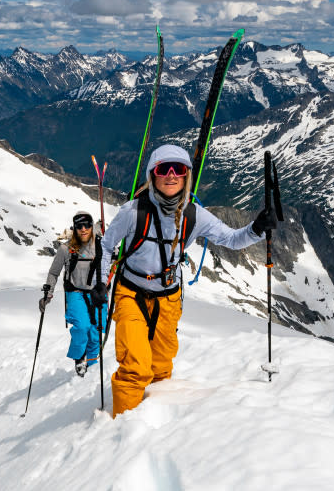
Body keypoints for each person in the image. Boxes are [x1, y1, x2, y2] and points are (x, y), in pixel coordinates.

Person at [100, 144, 277, 416]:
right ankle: (122, 428)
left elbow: (231, 239)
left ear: (186, 176)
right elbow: (106, 246)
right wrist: (101, 284)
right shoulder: (133, 211)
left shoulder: (194, 215)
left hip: (168, 298)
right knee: (136, 364)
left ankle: (153, 423)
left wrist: (256, 229)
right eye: (163, 169)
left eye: (179, 170)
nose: (171, 175)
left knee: (160, 366)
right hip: (130, 293)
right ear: (152, 175)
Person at [39, 211, 108, 377]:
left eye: (87, 225)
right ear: (74, 227)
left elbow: (110, 267)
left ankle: (91, 367)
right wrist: (48, 293)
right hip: (75, 292)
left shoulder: (102, 245)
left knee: (95, 333)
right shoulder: (66, 248)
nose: (83, 229)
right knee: (82, 327)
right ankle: (79, 357)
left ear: (92, 226)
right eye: (79, 226)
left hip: (97, 293)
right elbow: (54, 272)